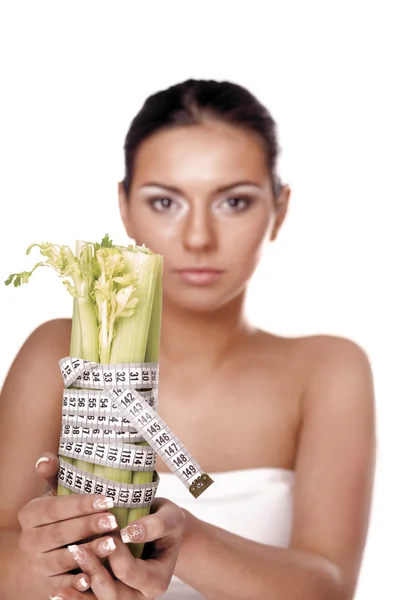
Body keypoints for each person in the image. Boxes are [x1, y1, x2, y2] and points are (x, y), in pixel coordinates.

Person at [0, 79, 375, 600]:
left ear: (280, 209)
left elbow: (330, 589)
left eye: (234, 202)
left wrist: (181, 540)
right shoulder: (58, 354)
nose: (199, 237)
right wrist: (54, 556)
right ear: (125, 207)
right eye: (165, 202)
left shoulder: (328, 369)